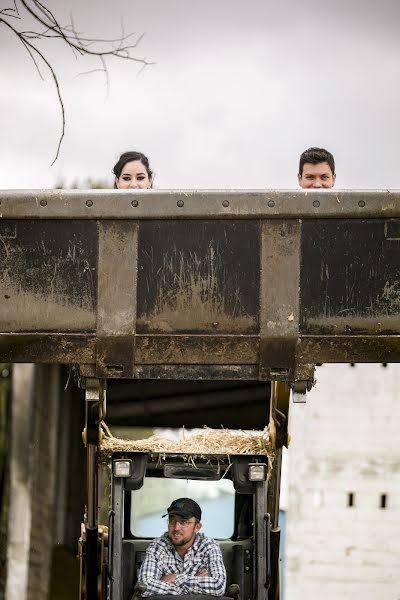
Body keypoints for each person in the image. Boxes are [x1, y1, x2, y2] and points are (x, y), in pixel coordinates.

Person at [137, 497, 227, 596]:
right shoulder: (157, 546)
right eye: (172, 521)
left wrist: (175, 578)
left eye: (184, 522)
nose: (176, 528)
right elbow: (144, 586)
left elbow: (218, 586)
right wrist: (196, 582)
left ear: (197, 527)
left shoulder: (209, 546)